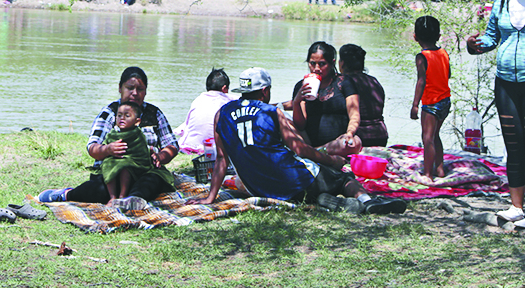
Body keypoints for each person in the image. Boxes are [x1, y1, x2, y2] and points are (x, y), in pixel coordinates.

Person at [189, 67, 406, 214]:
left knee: (317, 183)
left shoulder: (221, 114)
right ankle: (368, 202)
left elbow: (221, 161)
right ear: (265, 91)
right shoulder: (271, 112)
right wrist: (331, 161)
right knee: (342, 178)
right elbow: (300, 149)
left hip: (259, 187)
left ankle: (324, 199)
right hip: (292, 180)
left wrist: (210, 197)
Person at [39, 67, 179, 208]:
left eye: (140, 89)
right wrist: (108, 150)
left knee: (152, 181)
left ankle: (132, 199)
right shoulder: (110, 113)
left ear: (146, 91)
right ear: (120, 88)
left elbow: (172, 145)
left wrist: (160, 157)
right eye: (130, 88)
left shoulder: (154, 113)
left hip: (145, 170)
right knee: (100, 190)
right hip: (112, 172)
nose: (135, 93)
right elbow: (92, 147)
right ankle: (66, 195)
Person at [467, 0, 525, 225]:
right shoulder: (501, 1)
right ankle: (516, 207)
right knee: (514, 145)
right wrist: (474, 46)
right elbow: (491, 37)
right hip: (505, 84)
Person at [291, 41, 362, 157]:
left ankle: (314, 153)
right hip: (308, 141)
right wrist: (296, 102)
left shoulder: (344, 82)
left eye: (322, 64)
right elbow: (300, 125)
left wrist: (349, 133)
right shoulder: (301, 86)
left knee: (354, 143)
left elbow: (354, 114)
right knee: (284, 122)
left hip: (338, 143)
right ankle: (313, 152)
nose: (316, 68)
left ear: (332, 63)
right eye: (312, 63)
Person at [101, 101, 173, 205]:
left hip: (133, 163)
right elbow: (104, 145)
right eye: (119, 115)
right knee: (107, 165)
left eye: (127, 116)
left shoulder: (137, 134)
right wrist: (108, 149)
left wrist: (153, 154)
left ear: (137, 121)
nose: (122, 118)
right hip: (115, 161)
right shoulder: (113, 133)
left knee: (125, 166)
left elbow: (141, 151)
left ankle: (122, 195)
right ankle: (112, 196)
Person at [410, 16, 451, 182]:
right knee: (435, 136)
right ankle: (439, 169)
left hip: (431, 103)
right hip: (445, 100)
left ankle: (428, 174)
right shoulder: (444, 53)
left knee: (427, 138)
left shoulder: (422, 57)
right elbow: (448, 74)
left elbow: (421, 81)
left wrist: (415, 105)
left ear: (415, 37)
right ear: (439, 36)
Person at [176, 68, 237, 154]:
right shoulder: (230, 100)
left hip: (191, 144)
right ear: (224, 88)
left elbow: (187, 125)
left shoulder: (198, 100)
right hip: (215, 146)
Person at [340, 44, 388, 147]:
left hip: (357, 137)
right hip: (380, 134)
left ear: (342, 63)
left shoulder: (343, 83)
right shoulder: (374, 81)